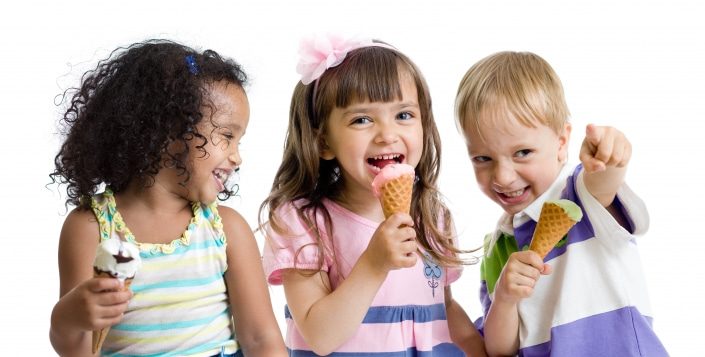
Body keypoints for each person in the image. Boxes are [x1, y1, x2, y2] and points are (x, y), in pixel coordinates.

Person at [49, 39, 287, 357]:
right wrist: (68, 318)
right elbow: (77, 352)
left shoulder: (225, 228)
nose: (237, 157)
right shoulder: (90, 227)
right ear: (169, 131)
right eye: (228, 137)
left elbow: (261, 338)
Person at [259, 34, 486, 357]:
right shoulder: (302, 221)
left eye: (404, 115)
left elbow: (446, 309)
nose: (387, 134)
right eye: (362, 119)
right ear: (323, 142)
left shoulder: (432, 216)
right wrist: (373, 264)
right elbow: (320, 336)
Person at [454, 51, 668, 356]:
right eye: (482, 158)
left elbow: (603, 184)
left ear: (561, 142)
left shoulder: (581, 196)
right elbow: (501, 349)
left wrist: (610, 157)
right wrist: (504, 298)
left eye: (523, 152)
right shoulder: (497, 247)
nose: (502, 176)